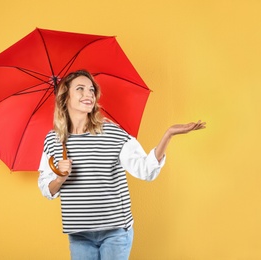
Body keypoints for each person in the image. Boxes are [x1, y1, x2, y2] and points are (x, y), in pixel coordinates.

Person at [38, 70, 206, 260]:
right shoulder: (54, 140)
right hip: (79, 235)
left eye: (92, 90)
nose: (89, 94)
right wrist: (60, 177)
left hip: (115, 232)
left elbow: (146, 171)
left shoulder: (111, 133)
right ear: (65, 97)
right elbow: (47, 188)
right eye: (80, 89)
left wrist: (168, 134)